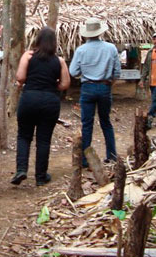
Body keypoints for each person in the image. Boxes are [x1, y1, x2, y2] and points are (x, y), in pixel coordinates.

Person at [10, 27, 70, 187]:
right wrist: (52, 86)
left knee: (24, 136)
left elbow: (20, 77)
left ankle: (21, 169)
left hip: (29, 98)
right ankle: (40, 176)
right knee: (44, 140)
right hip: (50, 101)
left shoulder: (28, 56)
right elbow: (65, 84)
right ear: (54, 43)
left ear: (37, 40)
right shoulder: (60, 61)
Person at [69, 17, 121, 165]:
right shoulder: (110, 48)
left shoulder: (81, 50)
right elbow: (117, 72)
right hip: (105, 87)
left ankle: (85, 159)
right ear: (100, 32)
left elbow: (73, 71)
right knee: (106, 122)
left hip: (87, 88)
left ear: (86, 34)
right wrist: (109, 81)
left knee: (87, 124)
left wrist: (85, 73)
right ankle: (111, 155)